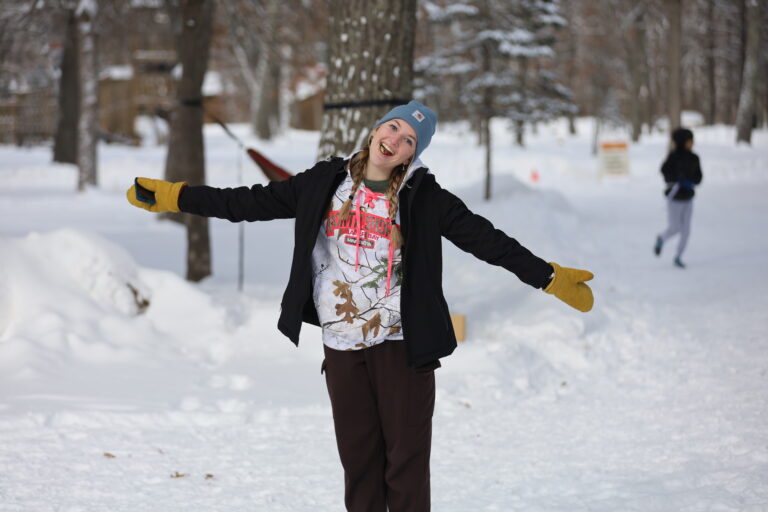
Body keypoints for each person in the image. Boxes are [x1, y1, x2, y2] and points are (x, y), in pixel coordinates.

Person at [126, 100, 594, 512]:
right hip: (342, 348)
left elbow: (487, 240)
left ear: (412, 155)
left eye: (409, 140)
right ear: (376, 130)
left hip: (402, 347)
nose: (396, 140)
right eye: (393, 127)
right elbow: (246, 203)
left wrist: (548, 277)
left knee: (406, 469)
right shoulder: (323, 183)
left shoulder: (424, 198)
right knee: (359, 466)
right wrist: (174, 196)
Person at [654, 127, 703, 268]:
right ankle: (661, 238)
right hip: (675, 199)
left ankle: (678, 257)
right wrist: (677, 179)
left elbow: (699, 177)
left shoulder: (695, 158)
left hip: (688, 198)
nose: (692, 143)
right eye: (690, 140)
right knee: (675, 227)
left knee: (686, 231)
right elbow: (664, 172)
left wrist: (691, 181)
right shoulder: (673, 156)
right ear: (682, 141)